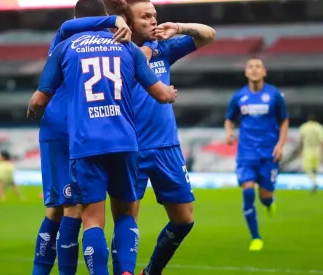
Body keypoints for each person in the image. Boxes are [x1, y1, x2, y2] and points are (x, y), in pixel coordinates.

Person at [28, 0, 177, 274]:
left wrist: (34, 111)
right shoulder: (124, 46)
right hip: (118, 138)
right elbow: (160, 93)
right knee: (116, 213)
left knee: (73, 213)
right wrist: (113, 23)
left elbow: (39, 99)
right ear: (105, 17)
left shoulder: (63, 45)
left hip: (77, 136)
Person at [108, 1, 216, 275]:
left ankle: (151, 271)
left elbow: (208, 35)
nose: (153, 20)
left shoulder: (163, 48)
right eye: (145, 17)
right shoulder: (112, 50)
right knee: (126, 218)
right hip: (131, 148)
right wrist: (139, 52)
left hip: (167, 148)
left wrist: (179, 27)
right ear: (128, 22)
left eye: (154, 15)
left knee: (184, 219)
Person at [28, 9, 133, 275]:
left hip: (70, 130)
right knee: (64, 210)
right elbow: (67, 24)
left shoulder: (71, 45)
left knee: (66, 210)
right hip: (69, 131)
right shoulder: (72, 40)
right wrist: (113, 19)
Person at [224, 57, 289, 251]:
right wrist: (229, 132)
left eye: (258, 66)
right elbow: (229, 119)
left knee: (265, 196)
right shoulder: (238, 97)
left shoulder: (275, 95)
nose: (254, 69)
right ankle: (256, 237)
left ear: (264, 72)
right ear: (246, 72)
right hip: (246, 153)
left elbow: (284, 120)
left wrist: (280, 144)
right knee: (248, 191)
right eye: (250, 66)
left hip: (269, 153)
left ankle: (269, 202)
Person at [299, 113, 323, 194]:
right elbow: (321, 142)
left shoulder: (304, 127)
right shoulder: (320, 128)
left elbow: (301, 140)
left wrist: (300, 150)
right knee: (315, 169)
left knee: (307, 169)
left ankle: (314, 182)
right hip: (317, 150)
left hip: (308, 150)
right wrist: (322, 152)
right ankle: (314, 182)